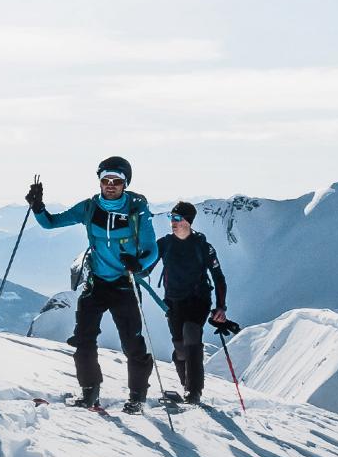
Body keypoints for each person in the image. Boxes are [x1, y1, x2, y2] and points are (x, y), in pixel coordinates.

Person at [26, 157, 159, 411]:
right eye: (105, 180)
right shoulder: (89, 207)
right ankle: (89, 392)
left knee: (132, 342)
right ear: (99, 181)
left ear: (125, 183)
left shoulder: (136, 209)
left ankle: (137, 397)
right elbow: (50, 223)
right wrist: (37, 206)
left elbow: (152, 248)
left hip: (124, 283)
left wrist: (139, 264)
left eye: (117, 181)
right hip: (96, 283)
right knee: (83, 339)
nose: (110, 185)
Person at [155, 201, 239, 407]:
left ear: (188, 222)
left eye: (177, 219)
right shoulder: (164, 244)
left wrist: (221, 307)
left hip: (198, 300)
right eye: (171, 219)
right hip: (173, 303)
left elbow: (218, 277)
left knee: (191, 333)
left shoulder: (203, 247)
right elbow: (146, 265)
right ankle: (186, 387)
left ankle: (194, 393)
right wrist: (134, 269)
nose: (172, 223)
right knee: (180, 347)